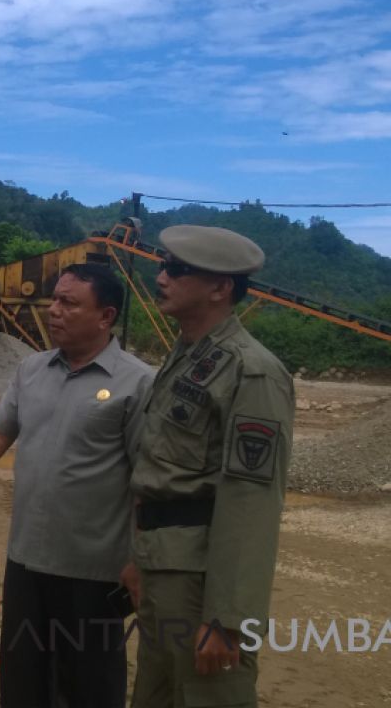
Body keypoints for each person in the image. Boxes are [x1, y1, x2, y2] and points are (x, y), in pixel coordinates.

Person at [0, 263, 154, 707]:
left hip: (94, 572)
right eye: (54, 299)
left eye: (68, 303)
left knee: (89, 685)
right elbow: (0, 430)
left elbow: (147, 480)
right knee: (24, 680)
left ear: (105, 316)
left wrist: (140, 560)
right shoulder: (32, 369)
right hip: (27, 562)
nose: (54, 310)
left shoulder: (138, 383)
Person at [130, 225, 294, 708]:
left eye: (177, 269)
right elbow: (159, 472)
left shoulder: (252, 370)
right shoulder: (188, 356)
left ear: (221, 288)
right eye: (163, 265)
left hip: (201, 583)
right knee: (155, 696)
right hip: (163, 566)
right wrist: (138, 558)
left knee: (209, 698)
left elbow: (251, 502)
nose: (161, 276)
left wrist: (229, 618)